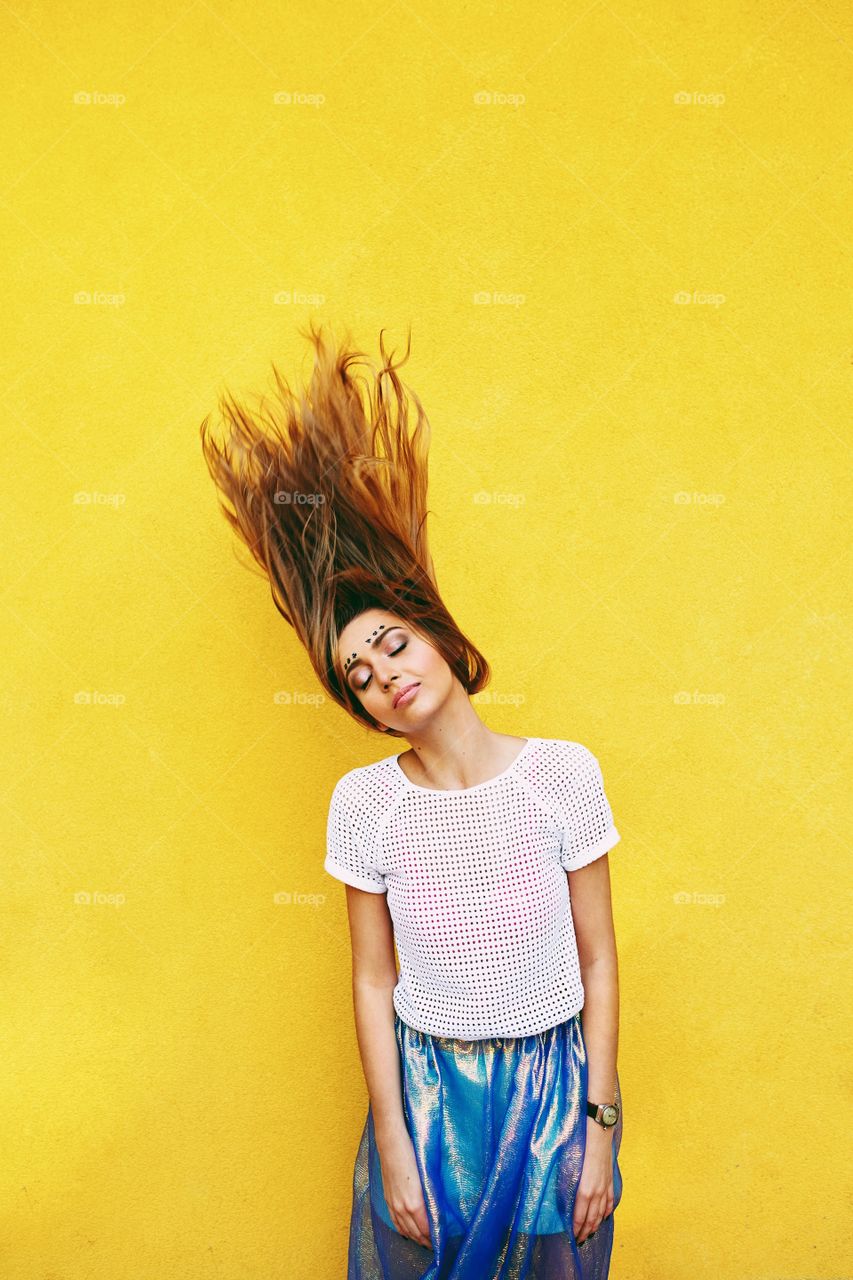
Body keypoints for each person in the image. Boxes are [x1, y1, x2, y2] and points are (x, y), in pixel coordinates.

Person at [200, 322, 624, 1279]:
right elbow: (372, 981)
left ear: (434, 636)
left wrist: (599, 1129)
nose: (382, 674)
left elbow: (598, 961)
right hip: (431, 1094)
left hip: (558, 1085)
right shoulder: (365, 806)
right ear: (360, 706)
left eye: (391, 644)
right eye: (358, 673)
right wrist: (392, 1141)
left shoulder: (563, 773)